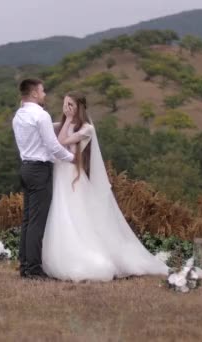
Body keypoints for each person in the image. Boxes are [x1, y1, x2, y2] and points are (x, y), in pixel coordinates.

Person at [41, 91, 169, 282]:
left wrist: (67, 120)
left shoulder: (86, 128)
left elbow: (61, 143)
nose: (66, 108)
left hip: (71, 173)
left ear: (79, 108)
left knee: (74, 211)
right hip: (60, 174)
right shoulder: (64, 124)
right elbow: (48, 133)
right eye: (65, 104)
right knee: (61, 210)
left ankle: (85, 252)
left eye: (71, 105)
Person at [11, 78, 75, 279]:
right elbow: (53, 146)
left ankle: (25, 267)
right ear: (34, 94)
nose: (45, 94)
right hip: (40, 171)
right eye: (42, 91)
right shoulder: (41, 115)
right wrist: (74, 159)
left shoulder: (19, 115)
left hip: (26, 169)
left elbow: (43, 132)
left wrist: (66, 121)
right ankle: (34, 270)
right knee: (37, 223)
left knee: (29, 221)